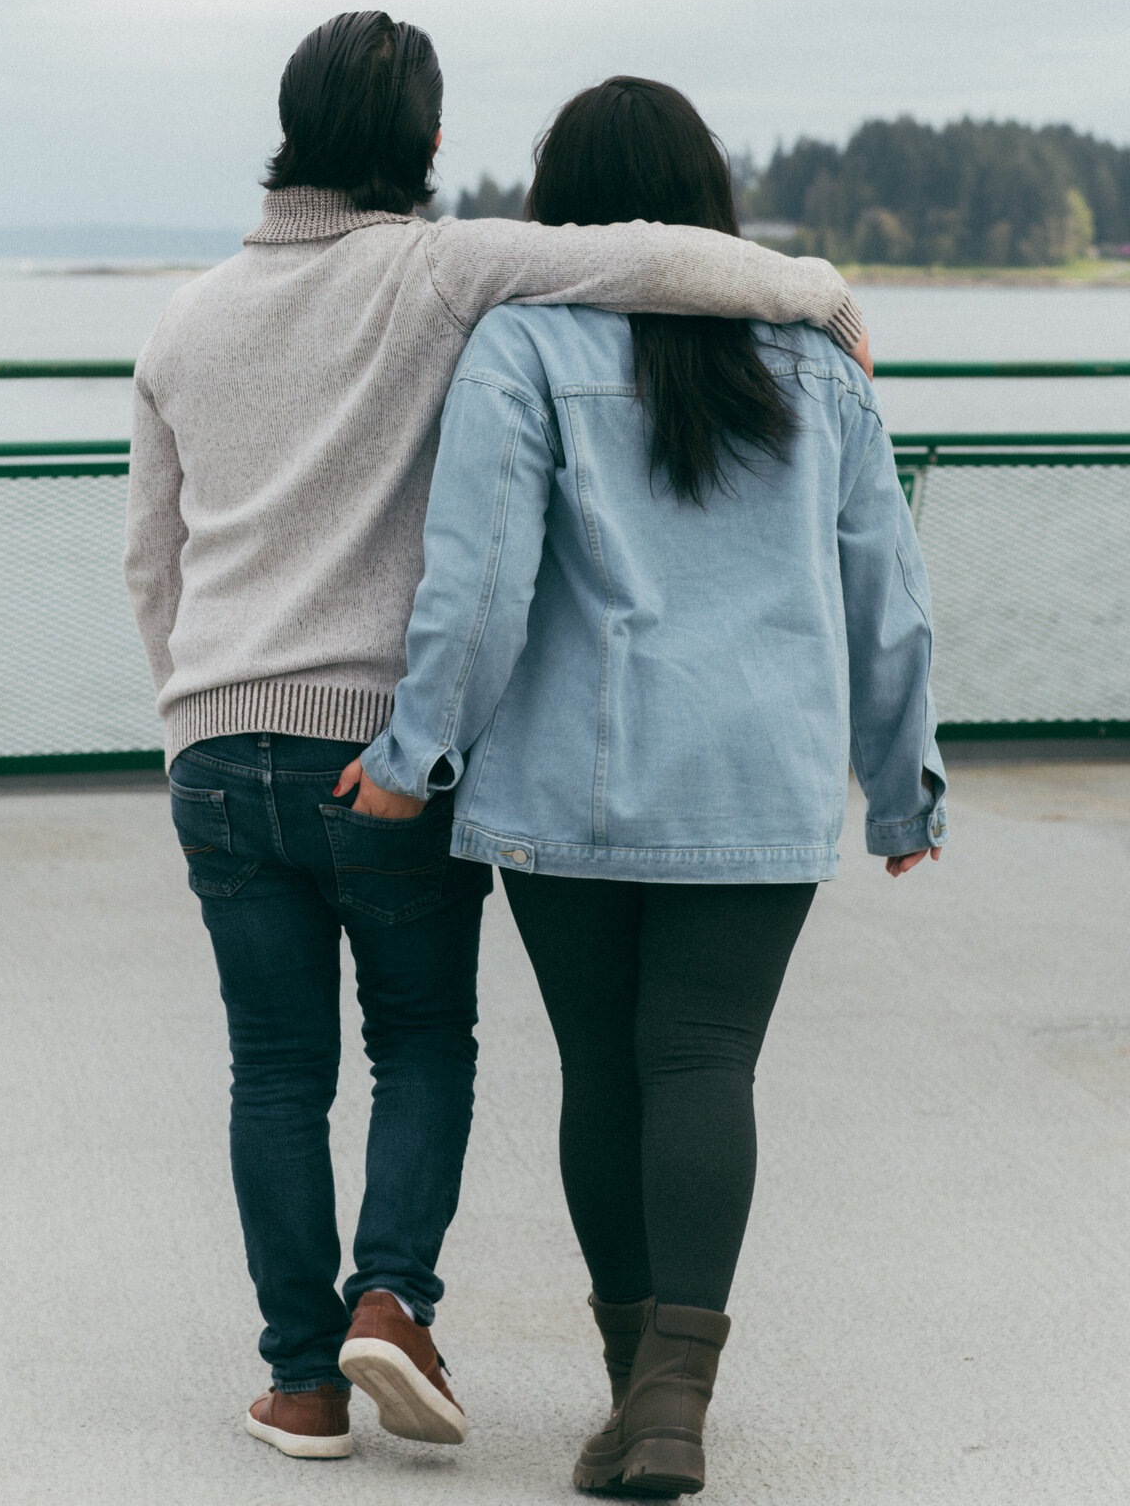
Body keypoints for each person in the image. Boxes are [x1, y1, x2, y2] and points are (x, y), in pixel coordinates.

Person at [123, 14, 869, 1466]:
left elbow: (151, 561)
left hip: (218, 749)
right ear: (433, 146)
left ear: (284, 128)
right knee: (418, 1043)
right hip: (381, 755)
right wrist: (816, 287)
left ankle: (302, 1384)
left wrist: (192, 718)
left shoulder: (183, 317)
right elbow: (655, 258)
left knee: (272, 1072)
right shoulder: (442, 267)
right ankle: (391, 1299)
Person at [343, 76, 946, 1496]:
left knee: (608, 1076)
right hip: (762, 788)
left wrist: (412, 754)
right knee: (705, 1066)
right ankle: (667, 1405)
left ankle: (641, 1394)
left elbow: (478, 590)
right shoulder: (817, 364)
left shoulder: (524, 346)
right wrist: (903, 785)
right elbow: (891, 598)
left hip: (572, 793)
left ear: (564, 208)